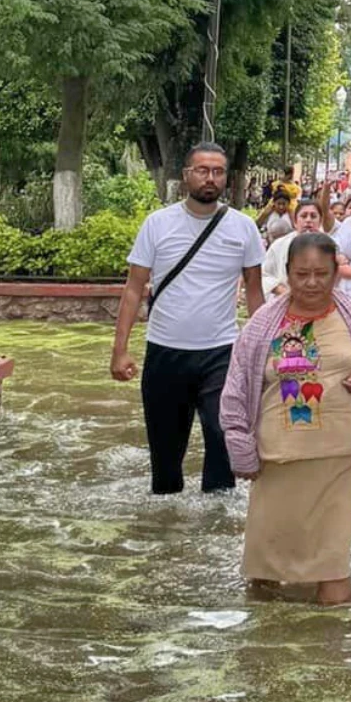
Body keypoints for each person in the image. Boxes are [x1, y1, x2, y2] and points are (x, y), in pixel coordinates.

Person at [220, 233, 351, 605]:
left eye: (322, 273)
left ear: (336, 274)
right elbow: (235, 390)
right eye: (302, 274)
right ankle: (271, 654)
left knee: (333, 576)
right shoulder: (262, 326)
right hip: (276, 463)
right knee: (265, 578)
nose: (312, 282)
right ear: (287, 273)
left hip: (339, 459)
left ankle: (332, 657)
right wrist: (239, 448)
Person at [111, 143, 266, 494]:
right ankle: (166, 533)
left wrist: (264, 351)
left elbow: (256, 293)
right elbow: (134, 288)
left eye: (218, 171)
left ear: (226, 178)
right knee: (165, 459)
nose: (210, 178)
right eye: (202, 170)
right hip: (165, 352)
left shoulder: (243, 228)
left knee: (222, 439)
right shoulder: (158, 224)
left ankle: (216, 530)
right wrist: (119, 350)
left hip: (222, 354)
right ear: (186, 176)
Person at [261, 199, 328, 296]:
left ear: (320, 221)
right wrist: (283, 291)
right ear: (295, 222)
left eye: (313, 216)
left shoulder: (329, 246)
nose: (308, 220)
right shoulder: (279, 245)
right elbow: (265, 275)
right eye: (304, 216)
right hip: (284, 301)